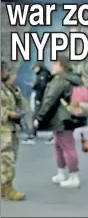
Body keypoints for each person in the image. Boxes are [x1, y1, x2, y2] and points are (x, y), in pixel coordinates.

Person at [33, 55, 84, 188]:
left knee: (67, 146)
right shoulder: (73, 77)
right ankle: (61, 173)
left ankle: (73, 176)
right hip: (70, 116)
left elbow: (50, 100)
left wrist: (39, 118)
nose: (52, 67)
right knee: (58, 145)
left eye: (54, 64)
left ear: (62, 65)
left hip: (62, 118)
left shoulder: (60, 80)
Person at [1, 61, 25, 200]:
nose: (8, 73)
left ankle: (3, 187)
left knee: (10, 157)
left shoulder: (6, 86)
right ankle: (8, 187)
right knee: (6, 158)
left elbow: (19, 101)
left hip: (10, 129)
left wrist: (13, 88)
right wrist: (7, 113)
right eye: (6, 71)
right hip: (3, 129)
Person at [22, 62, 52, 144]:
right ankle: (34, 133)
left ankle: (33, 134)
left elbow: (42, 87)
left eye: (35, 68)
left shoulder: (43, 75)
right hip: (43, 98)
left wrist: (38, 96)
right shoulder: (43, 74)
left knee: (36, 116)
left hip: (41, 99)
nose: (34, 71)